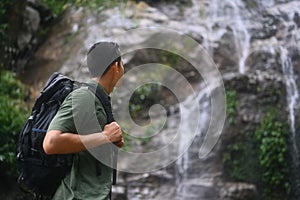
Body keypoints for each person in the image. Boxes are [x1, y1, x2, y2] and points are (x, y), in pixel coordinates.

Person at [43, 41, 124, 200]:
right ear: (116, 67)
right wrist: (105, 137)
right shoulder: (84, 96)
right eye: (123, 64)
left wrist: (110, 140)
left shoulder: (99, 98)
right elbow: (50, 143)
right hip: (75, 196)